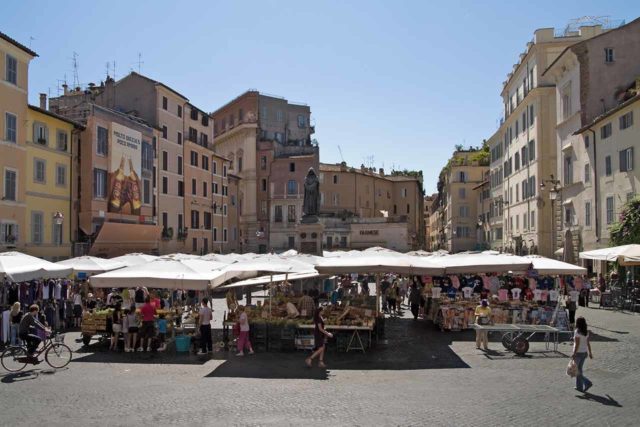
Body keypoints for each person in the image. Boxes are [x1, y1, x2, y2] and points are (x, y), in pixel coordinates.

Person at [573, 316, 593, 393]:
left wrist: (574, 353)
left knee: (577, 371)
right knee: (579, 369)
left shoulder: (577, 332)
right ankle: (579, 387)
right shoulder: (586, 332)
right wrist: (590, 353)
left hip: (578, 353)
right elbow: (588, 343)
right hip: (584, 353)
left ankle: (587, 382)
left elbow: (577, 344)